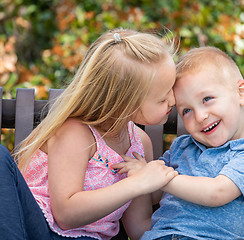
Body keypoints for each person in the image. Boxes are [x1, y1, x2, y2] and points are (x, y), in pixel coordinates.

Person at [0, 28, 179, 240]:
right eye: (162, 98)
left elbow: (139, 227)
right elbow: (65, 215)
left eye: (172, 89)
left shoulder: (140, 144)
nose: (173, 100)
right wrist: (137, 183)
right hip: (36, 228)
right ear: (124, 103)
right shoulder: (76, 134)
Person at [118, 46, 244, 240]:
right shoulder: (181, 147)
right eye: (186, 111)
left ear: (241, 92)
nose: (200, 116)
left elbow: (216, 192)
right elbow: (152, 195)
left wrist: (157, 178)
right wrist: (137, 176)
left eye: (207, 99)